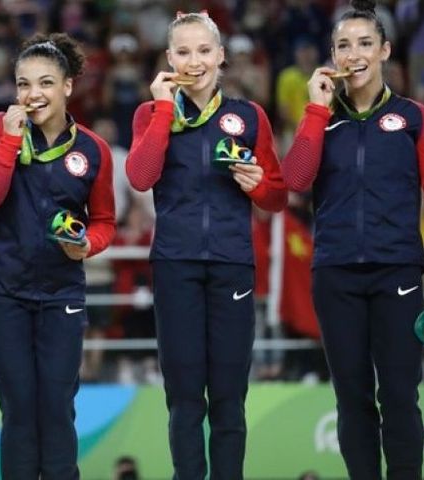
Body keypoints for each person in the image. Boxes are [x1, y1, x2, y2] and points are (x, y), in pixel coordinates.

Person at [281, 1, 424, 478]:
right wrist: (315, 110)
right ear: (333, 56)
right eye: (344, 45)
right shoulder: (321, 118)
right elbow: (295, 181)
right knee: (352, 398)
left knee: (401, 395)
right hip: (335, 277)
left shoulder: (416, 119)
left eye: (365, 43)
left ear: (385, 50)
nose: (355, 53)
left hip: (397, 275)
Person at [125, 11, 287, 479]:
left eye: (202, 51)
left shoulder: (248, 116)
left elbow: (278, 196)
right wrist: (162, 110)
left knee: (229, 396)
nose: (193, 61)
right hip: (175, 265)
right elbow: (140, 177)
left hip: (232, 264)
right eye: (183, 52)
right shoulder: (150, 114)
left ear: (220, 56)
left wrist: (258, 185)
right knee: (184, 397)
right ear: (168, 58)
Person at [0, 33, 116, 478]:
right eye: (24, 83)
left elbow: (104, 221)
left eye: (46, 83)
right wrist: (9, 143)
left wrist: (87, 245)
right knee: (18, 408)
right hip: (3, 291)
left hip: (61, 293)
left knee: (56, 407)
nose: (33, 94)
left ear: (67, 86)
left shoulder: (93, 149)